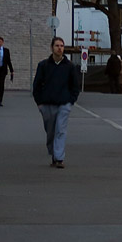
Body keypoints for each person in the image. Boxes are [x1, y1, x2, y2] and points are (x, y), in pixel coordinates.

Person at [32, 36, 81, 169]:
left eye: (62, 46)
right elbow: (36, 85)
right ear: (52, 48)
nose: (60, 48)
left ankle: (59, 158)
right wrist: (39, 103)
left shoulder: (70, 66)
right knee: (51, 131)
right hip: (47, 104)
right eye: (57, 46)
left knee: (61, 129)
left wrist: (71, 100)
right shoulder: (43, 65)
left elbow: (75, 86)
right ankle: (53, 152)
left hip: (64, 103)